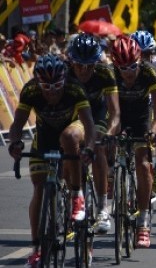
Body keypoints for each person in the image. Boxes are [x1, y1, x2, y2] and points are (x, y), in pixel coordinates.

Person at [8, 54, 96, 267]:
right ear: (38, 82)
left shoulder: (75, 89)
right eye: (46, 86)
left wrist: (90, 149)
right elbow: (17, 125)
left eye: (57, 85)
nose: (53, 91)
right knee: (39, 188)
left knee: (70, 137)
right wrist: (15, 144)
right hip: (45, 137)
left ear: (64, 80)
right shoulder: (30, 91)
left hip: (73, 129)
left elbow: (90, 125)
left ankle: (77, 195)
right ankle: (37, 247)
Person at [110, 35, 156, 248]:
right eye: (123, 68)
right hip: (118, 115)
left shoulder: (148, 72)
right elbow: (106, 110)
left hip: (142, 117)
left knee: (142, 164)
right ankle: (108, 180)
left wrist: (155, 129)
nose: (129, 72)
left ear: (139, 61)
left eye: (133, 66)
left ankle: (143, 221)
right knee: (105, 145)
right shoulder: (110, 73)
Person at [66, 33, 120, 234]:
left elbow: (115, 111)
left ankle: (102, 208)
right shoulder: (64, 71)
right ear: (72, 60)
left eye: (89, 65)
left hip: (97, 115)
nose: (84, 70)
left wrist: (111, 133)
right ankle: (70, 195)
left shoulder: (105, 73)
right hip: (72, 116)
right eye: (79, 64)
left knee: (97, 148)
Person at [131, 30, 156, 194]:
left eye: (148, 54)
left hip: (153, 102)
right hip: (134, 102)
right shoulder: (126, 64)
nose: (144, 59)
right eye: (140, 54)